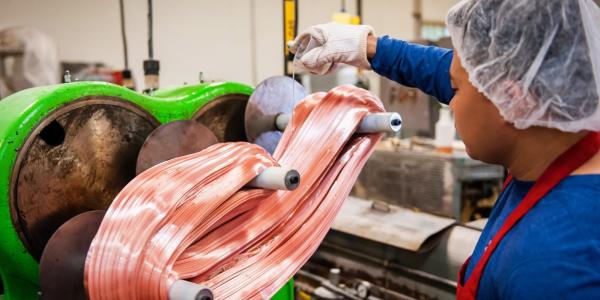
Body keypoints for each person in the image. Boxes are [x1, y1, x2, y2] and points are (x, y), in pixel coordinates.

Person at [290, 0, 600, 299]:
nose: (449, 101)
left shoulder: (550, 266)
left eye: (456, 88)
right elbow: (458, 71)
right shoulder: (566, 124)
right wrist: (365, 46)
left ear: (513, 100)